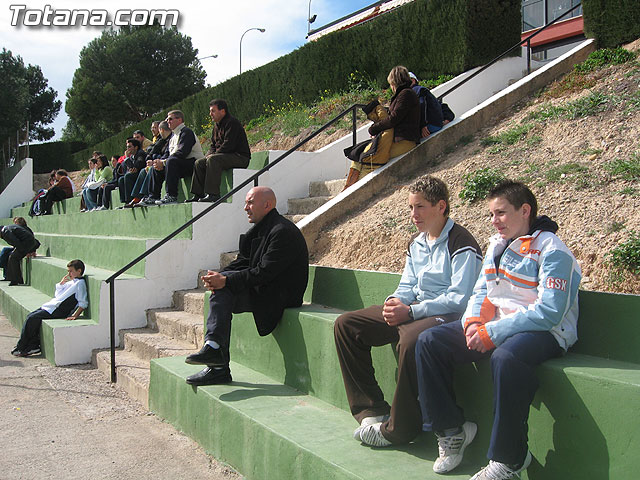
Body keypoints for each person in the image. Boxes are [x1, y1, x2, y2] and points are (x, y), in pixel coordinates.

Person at [415, 181, 581, 479]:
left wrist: (494, 332)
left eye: (501, 213)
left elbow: (549, 312)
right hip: (498, 327)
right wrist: (475, 324)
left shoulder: (554, 250)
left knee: (505, 358)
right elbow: (481, 293)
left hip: (547, 332)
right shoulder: (496, 245)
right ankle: (452, 431)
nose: (495, 221)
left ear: (525, 210)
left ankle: (510, 459)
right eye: (492, 214)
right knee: (429, 341)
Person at [334, 175, 482, 447]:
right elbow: (407, 284)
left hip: (448, 316)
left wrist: (411, 313)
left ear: (441, 206)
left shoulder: (461, 242)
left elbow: (459, 299)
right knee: (347, 325)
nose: (414, 215)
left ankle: (401, 429)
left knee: (412, 341)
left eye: (420, 207)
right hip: (415, 309)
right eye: (411, 208)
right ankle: (371, 408)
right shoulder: (417, 242)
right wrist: (394, 302)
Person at [184, 186, 309, 385]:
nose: (245, 208)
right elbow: (244, 262)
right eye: (245, 203)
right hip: (266, 288)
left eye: (250, 202)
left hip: (280, 295)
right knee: (222, 288)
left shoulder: (282, 231)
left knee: (224, 288)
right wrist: (219, 275)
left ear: (267, 205)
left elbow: (264, 272)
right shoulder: (259, 229)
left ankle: (216, 359)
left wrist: (225, 281)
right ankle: (215, 356)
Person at [343, 65, 420, 190]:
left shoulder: (406, 94)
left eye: (390, 83)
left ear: (394, 81)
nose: (390, 87)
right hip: (397, 139)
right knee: (359, 155)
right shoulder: (403, 95)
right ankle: (348, 187)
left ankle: (353, 190)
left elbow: (393, 119)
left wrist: (374, 128)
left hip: (405, 141)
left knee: (369, 160)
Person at [11, 259, 88, 357]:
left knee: (32, 318)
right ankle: (32, 345)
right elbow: (58, 294)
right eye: (68, 271)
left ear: (79, 271)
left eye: (71, 271)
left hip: (58, 310)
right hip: (51, 307)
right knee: (30, 316)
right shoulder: (73, 282)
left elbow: (83, 303)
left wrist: (75, 315)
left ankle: (21, 347)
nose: (69, 274)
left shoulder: (80, 284)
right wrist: (61, 284)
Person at [187, 99, 251, 203]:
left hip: (240, 157)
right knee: (199, 162)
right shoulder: (216, 126)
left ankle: (213, 194)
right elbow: (213, 145)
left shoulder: (232, 123)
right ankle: (197, 194)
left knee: (213, 160)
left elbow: (229, 145)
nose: (210, 114)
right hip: (224, 156)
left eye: (213, 111)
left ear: (223, 111)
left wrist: (212, 155)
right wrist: (207, 155)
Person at [145, 110, 205, 205]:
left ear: (179, 120)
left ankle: (171, 196)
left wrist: (164, 162)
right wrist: (157, 162)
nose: (167, 121)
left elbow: (182, 153)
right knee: (155, 168)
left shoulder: (186, 132)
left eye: (170, 119)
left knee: (171, 161)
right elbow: (168, 154)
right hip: (178, 165)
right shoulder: (173, 136)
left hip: (194, 164)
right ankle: (153, 197)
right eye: (167, 119)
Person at [125, 121, 172, 208]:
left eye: (156, 128)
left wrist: (156, 161)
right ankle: (136, 197)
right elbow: (152, 151)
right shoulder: (161, 139)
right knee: (142, 171)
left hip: (166, 163)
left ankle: (147, 196)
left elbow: (168, 153)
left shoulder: (170, 138)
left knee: (149, 169)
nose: (153, 130)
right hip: (158, 161)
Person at [408, 72, 444, 139]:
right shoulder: (421, 89)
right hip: (436, 124)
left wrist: (423, 125)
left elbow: (421, 105)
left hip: (430, 125)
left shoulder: (416, 90)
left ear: (413, 80)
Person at [116, 138, 147, 205]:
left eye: (129, 147)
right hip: (135, 173)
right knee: (121, 179)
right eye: (127, 147)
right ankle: (125, 201)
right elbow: (130, 168)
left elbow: (135, 167)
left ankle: (130, 199)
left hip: (141, 174)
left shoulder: (140, 153)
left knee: (128, 176)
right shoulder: (132, 156)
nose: (128, 149)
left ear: (136, 147)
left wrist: (127, 158)